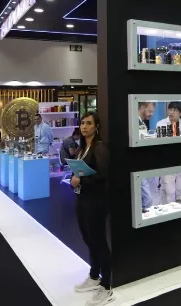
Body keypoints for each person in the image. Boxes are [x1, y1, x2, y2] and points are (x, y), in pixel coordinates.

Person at [71, 112, 113, 306]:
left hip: (96, 201)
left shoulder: (100, 147)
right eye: (82, 123)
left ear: (96, 127)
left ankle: (106, 286)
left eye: (89, 123)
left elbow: (103, 175)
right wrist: (75, 181)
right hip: (82, 199)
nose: (84, 127)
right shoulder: (82, 149)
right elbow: (80, 173)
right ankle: (94, 275)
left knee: (99, 241)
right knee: (88, 239)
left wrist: (82, 180)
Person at [156, 103, 181, 202]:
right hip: (167, 161)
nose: (171, 112)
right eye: (170, 109)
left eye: (174, 110)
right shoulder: (160, 124)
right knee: (168, 191)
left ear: (180, 113)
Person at [137, 102, 155, 211]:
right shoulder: (134, 122)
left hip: (143, 164)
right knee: (147, 199)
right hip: (137, 164)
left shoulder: (142, 122)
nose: (151, 114)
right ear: (142, 107)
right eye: (149, 111)